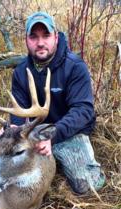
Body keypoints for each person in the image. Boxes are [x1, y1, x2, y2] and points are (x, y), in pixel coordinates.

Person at [9, 11, 105, 194]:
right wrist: (15, 130)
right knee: (9, 173)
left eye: (46, 35)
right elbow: (18, 111)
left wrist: (52, 136)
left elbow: (83, 110)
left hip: (68, 132)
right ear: (26, 40)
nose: (40, 43)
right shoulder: (21, 72)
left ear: (56, 37)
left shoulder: (75, 67)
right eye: (34, 37)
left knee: (86, 186)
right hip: (34, 134)